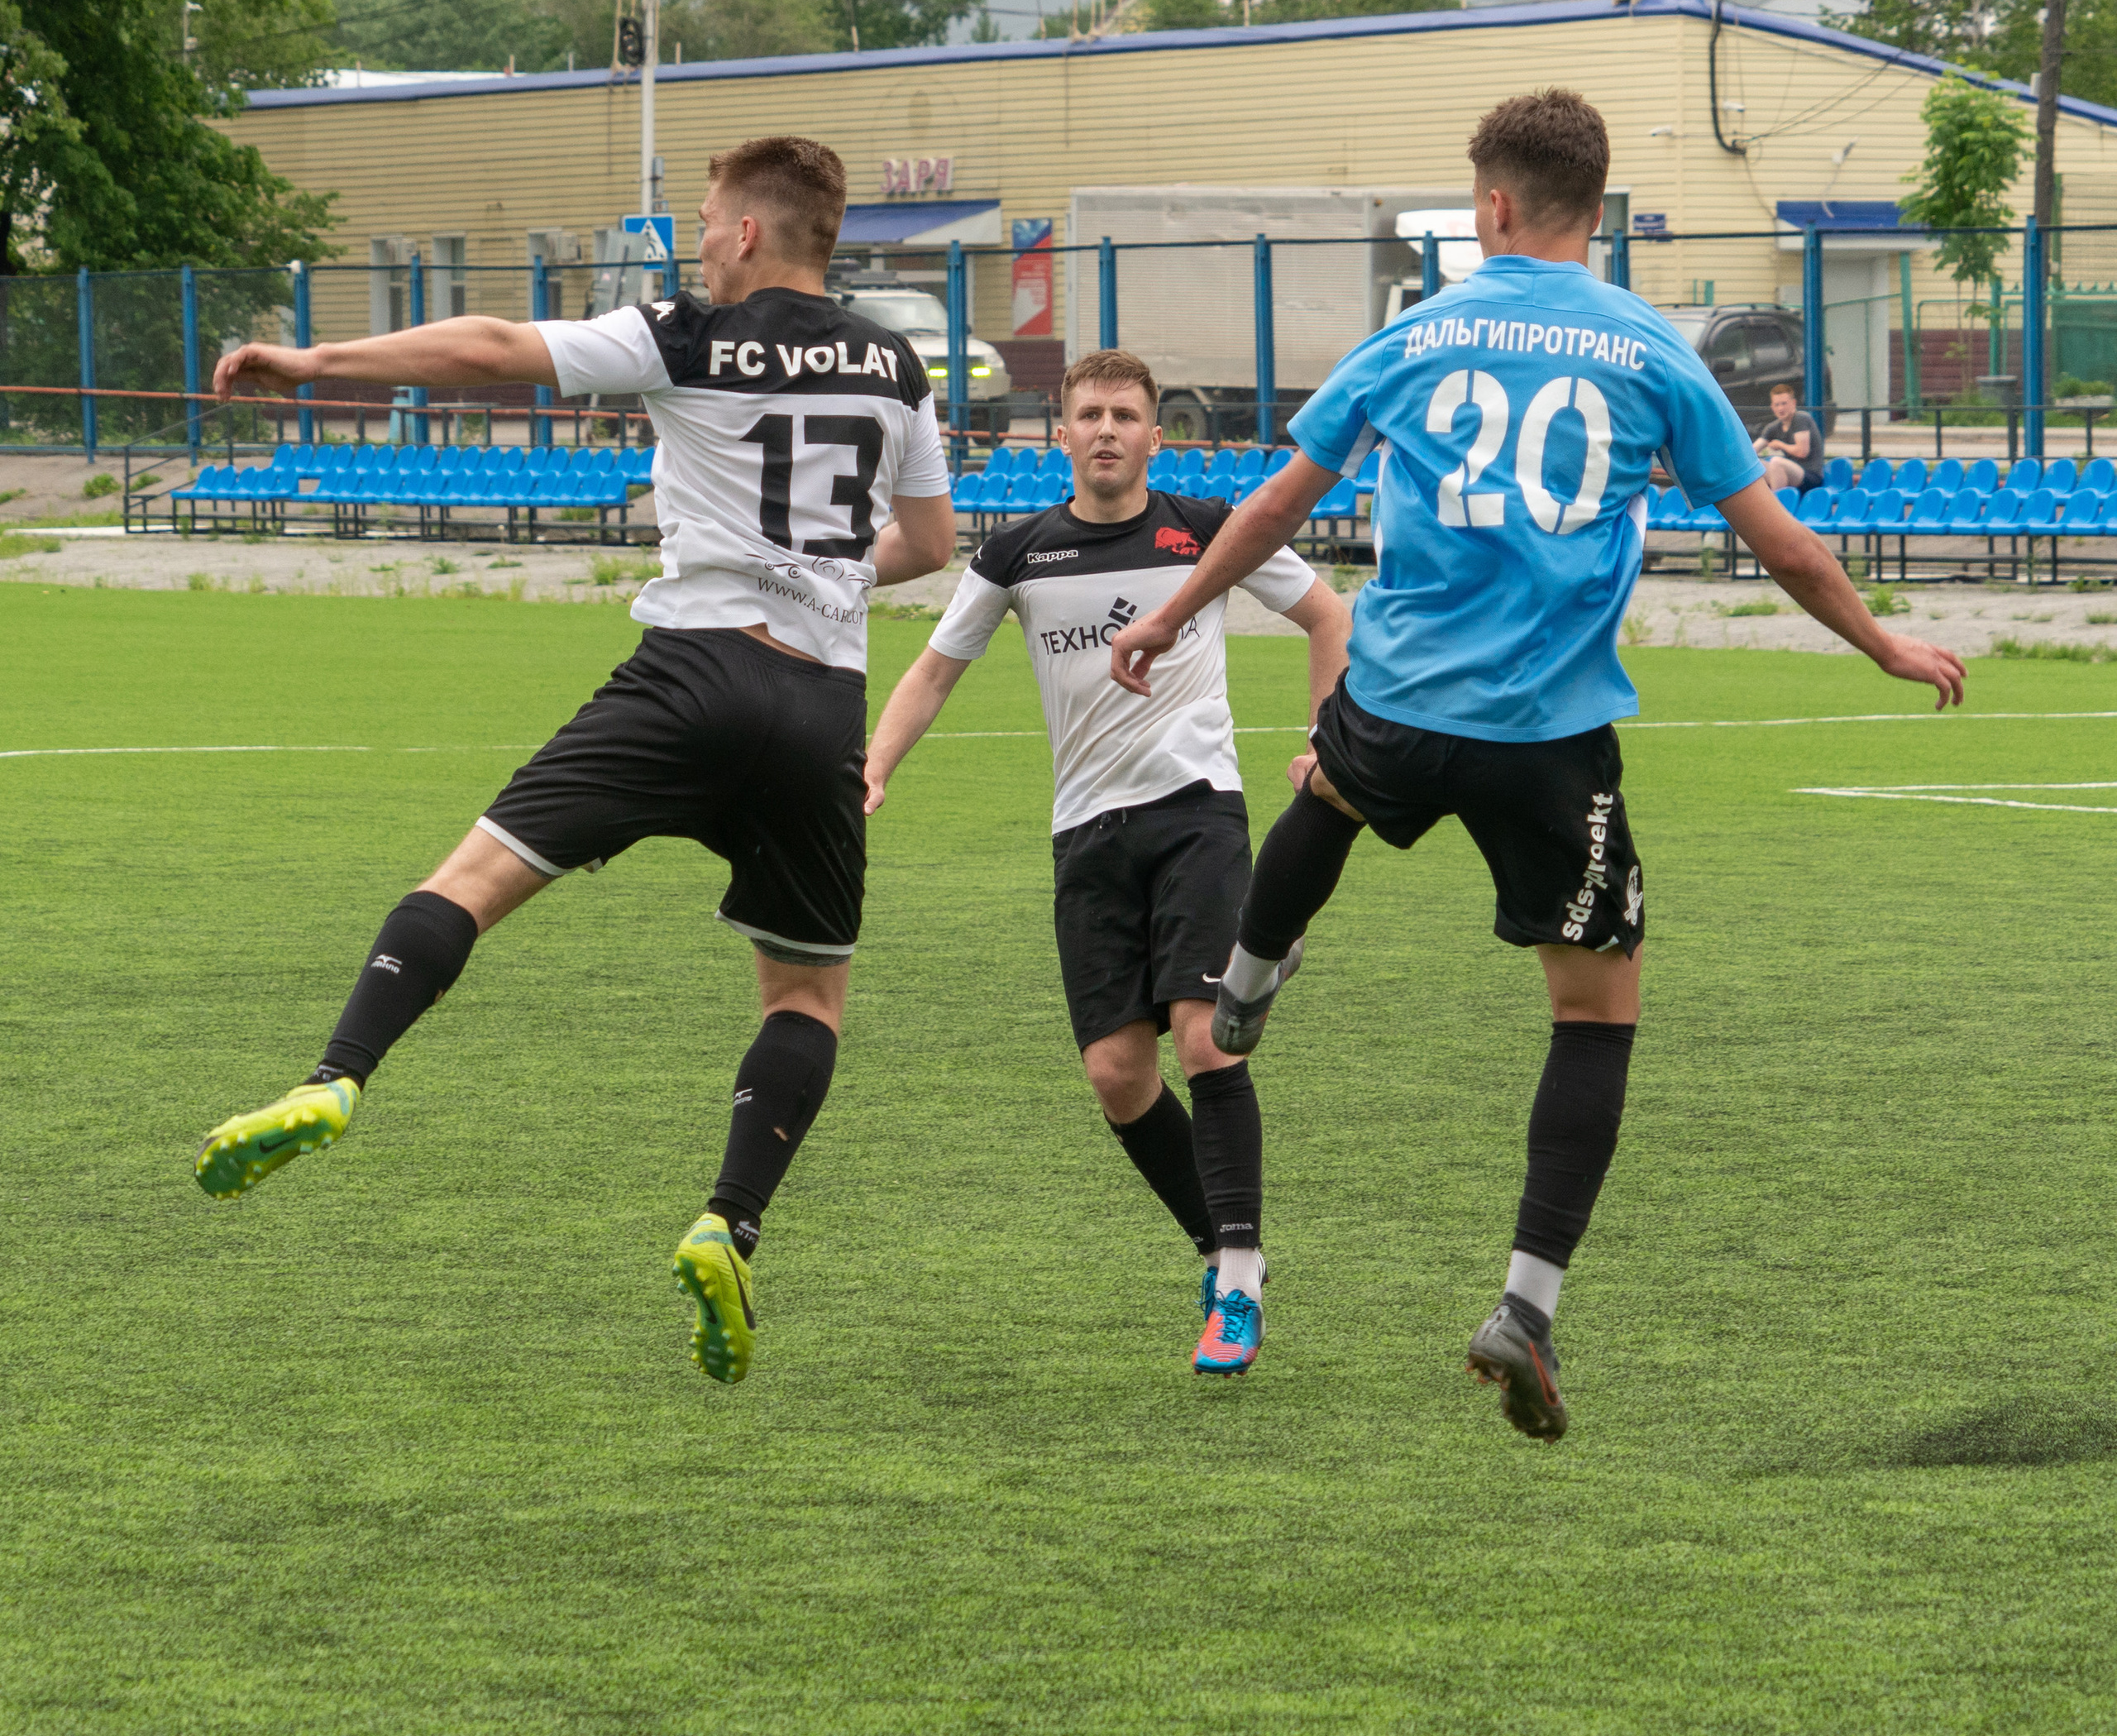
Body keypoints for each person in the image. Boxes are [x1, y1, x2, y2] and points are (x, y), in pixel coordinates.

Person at [1107, 88, 1966, 1442]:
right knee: (1595, 1013)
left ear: (1494, 207)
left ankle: (1251, 982)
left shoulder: (1415, 335)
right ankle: (1524, 1306)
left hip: (1398, 703)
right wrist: (1882, 643)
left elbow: (1278, 502)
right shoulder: (1653, 348)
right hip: (1548, 739)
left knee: (1329, 783)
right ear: (1597, 208)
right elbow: (1782, 546)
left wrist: (1170, 611)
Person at [191, 136, 957, 1388]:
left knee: (469, 883)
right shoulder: (897, 364)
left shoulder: (687, 334)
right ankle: (729, 1223)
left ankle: (336, 1079)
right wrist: (814, 573)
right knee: (806, 999)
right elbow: (929, 542)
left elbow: (494, 347)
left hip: (690, 677)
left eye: (704, 221)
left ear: (748, 232)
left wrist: (317, 362)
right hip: (821, 704)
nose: (699, 242)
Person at [863, 349, 1351, 1377]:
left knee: (1204, 1042)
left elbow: (1327, 616)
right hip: (1085, 832)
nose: (1105, 431)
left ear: (1154, 435)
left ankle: (1237, 1280)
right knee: (1117, 1077)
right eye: (1088, 414)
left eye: (1124, 416)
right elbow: (934, 671)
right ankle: (1223, 1248)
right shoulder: (1018, 553)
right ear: (1061, 433)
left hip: (1196, 811)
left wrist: (1325, 742)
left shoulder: (1205, 529)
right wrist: (874, 767)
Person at [1756, 380, 1825, 492]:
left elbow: (1802, 452)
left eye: (1784, 404)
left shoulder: (1801, 419)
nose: (1780, 409)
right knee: (1756, 465)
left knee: (1776, 462)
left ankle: (1777, 501)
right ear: (1772, 407)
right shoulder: (1773, 427)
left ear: (1793, 403)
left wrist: (1780, 445)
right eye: (1777, 405)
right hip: (1790, 473)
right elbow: (1754, 449)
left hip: (1811, 476)